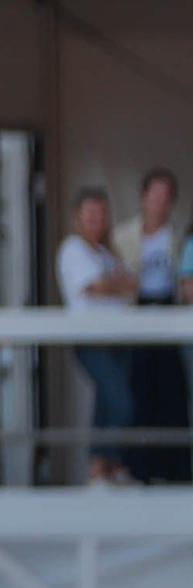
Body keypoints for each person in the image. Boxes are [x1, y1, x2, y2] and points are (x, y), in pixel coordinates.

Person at [57, 184, 138, 486]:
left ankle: (108, 469)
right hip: (92, 339)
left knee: (107, 402)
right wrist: (117, 284)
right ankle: (99, 467)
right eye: (91, 214)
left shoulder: (105, 252)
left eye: (102, 213)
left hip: (118, 338)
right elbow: (95, 286)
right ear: (78, 216)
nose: (98, 220)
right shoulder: (72, 248)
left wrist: (115, 283)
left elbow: (131, 282)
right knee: (120, 401)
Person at [119, 168, 191, 483]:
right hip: (136, 313)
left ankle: (175, 471)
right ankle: (140, 470)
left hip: (169, 311)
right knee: (139, 393)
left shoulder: (177, 238)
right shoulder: (124, 236)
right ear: (143, 197)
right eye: (155, 196)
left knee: (172, 394)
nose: (160, 204)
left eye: (166, 198)